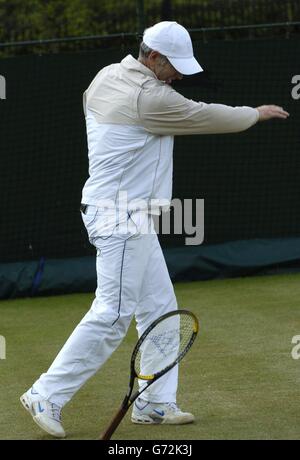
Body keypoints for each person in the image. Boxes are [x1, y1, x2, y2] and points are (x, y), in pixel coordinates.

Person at [20, 21, 289, 438]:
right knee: (112, 315)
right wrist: (253, 113)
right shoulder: (150, 98)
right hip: (121, 216)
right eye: (175, 66)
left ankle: (154, 403)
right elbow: (204, 115)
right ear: (154, 58)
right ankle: (46, 394)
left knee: (161, 311)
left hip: (121, 213)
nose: (180, 74)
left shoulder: (106, 76)